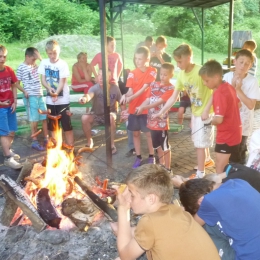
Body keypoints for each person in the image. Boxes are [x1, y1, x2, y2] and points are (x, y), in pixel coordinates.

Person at [111, 164, 220, 260]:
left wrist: (123, 208)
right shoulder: (178, 211)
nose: (129, 198)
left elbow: (125, 256)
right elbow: (154, 233)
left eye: (132, 195)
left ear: (151, 199)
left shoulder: (149, 221)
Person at [152, 44, 214, 178]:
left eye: (180, 61)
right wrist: (162, 111)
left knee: (199, 144)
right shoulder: (181, 75)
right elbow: (173, 97)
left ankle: (200, 173)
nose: (178, 64)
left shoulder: (201, 71)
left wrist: (207, 110)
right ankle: (206, 161)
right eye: (176, 61)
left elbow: (215, 91)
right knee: (197, 141)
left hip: (205, 113)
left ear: (189, 57)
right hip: (196, 113)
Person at [179, 178, 260, 260]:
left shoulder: (208, 201)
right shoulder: (239, 182)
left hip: (248, 257)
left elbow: (192, 226)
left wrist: (181, 213)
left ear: (200, 201)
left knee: (203, 228)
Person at [199, 60, 242, 173]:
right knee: (231, 167)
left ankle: (219, 188)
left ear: (216, 77)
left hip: (226, 136)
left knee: (220, 167)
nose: (204, 83)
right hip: (236, 133)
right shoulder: (228, 86)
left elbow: (218, 119)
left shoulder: (219, 93)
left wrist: (209, 120)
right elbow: (239, 104)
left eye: (206, 80)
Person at [120, 46, 156, 169]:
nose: (137, 61)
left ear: (147, 59)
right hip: (133, 109)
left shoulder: (152, 71)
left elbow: (144, 88)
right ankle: (138, 157)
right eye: (136, 58)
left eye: (140, 59)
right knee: (135, 134)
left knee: (148, 134)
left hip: (146, 107)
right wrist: (125, 96)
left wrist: (130, 98)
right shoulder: (131, 73)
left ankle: (152, 155)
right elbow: (130, 90)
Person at [223, 49, 260, 164]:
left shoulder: (252, 81)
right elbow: (223, 101)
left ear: (250, 66)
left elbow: (250, 105)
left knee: (239, 153)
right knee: (225, 153)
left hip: (243, 125)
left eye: (247, 63)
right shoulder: (226, 77)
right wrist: (231, 87)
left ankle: (240, 177)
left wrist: (238, 89)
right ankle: (227, 176)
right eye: (241, 62)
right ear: (235, 61)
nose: (243, 65)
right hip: (227, 123)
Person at [136, 63, 174, 172]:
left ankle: (168, 168)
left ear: (171, 75)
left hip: (161, 123)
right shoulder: (153, 85)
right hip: (151, 123)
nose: (162, 77)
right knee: (156, 146)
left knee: (165, 146)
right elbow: (147, 99)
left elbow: (158, 102)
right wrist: (141, 106)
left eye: (165, 75)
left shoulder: (171, 88)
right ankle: (160, 165)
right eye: (161, 74)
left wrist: (143, 108)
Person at [38, 40, 74, 146]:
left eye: (55, 53)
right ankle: (57, 149)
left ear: (59, 51)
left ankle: (71, 148)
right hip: (50, 101)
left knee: (67, 125)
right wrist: (49, 89)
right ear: (46, 52)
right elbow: (43, 80)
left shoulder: (63, 64)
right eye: (50, 53)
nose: (53, 56)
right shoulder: (44, 63)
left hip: (63, 100)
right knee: (53, 126)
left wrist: (56, 93)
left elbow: (63, 81)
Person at [79, 69, 124, 153]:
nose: (100, 78)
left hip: (110, 114)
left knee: (110, 117)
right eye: (99, 75)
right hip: (97, 114)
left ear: (109, 77)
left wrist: (123, 113)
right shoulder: (94, 88)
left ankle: (111, 144)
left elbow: (122, 102)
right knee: (84, 118)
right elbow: (89, 95)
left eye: (103, 75)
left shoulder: (115, 88)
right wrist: (84, 99)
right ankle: (90, 141)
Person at [16, 47, 48, 151]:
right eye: (33, 59)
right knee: (34, 119)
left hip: (39, 95)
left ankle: (46, 138)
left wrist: (40, 58)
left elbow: (45, 68)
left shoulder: (35, 65)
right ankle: (34, 141)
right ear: (27, 56)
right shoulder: (21, 67)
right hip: (30, 97)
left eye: (35, 59)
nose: (34, 61)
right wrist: (24, 91)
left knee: (44, 117)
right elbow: (16, 83)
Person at [0, 45, 22, 169]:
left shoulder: (9, 70)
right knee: (4, 132)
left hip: (10, 105)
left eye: (4, 56)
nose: (2, 59)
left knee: (12, 130)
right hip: (0, 108)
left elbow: (14, 85)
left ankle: (7, 150)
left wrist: (15, 101)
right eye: (0, 57)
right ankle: (8, 158)